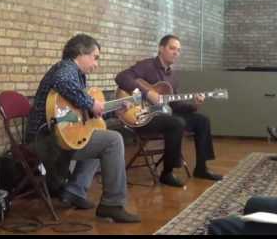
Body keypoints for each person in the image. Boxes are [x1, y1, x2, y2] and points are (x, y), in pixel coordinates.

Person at [26, 34, 141, 223]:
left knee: (98, 134)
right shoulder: (66, 68)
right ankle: (112, 204)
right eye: (95, 57)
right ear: (81, 52)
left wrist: (114, 111)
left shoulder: (77, 76)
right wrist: (90, 102)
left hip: (56, 135)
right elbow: (64, 83)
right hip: (46, 140)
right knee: (113, 141)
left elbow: (80, 116)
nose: (96, 64)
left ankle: (75, 191)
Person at [115, 34, 222, 188]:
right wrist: (148, 93)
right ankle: (167, 173)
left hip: (162, 115)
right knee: (176, 123)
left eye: (178, 50)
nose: (175, 53)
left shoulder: (172, 76)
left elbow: (175, 106)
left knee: (202, 120)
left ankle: (201, 168)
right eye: (172, 48)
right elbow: (121, 77)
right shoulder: (147, 66)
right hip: (141, 116)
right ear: (161, 48)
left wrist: (195, 105)